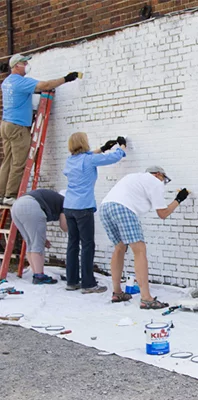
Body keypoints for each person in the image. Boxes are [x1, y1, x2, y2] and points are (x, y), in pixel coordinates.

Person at [99, 166, 189, 306]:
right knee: (140, 251)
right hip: (124, 209)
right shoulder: (155, 182)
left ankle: (117, 292)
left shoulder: (133, 177)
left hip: (105, 207)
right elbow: (163, 213)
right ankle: (146, 298)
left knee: (119, 248)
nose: (163, 183)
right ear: (158, 174)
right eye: (164, 180)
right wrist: (178, 199)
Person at [0, 53, 80, 206]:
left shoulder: (7, 82)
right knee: (19, 162)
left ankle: (1, 193)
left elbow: (22, 94)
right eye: (24, 63)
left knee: (7, 161)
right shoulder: (19, 81)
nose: (26, 66)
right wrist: (66, 78)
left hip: (6, 125)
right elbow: (46, 86)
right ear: (16, 65)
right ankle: (10, 195)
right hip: (18, 127)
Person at [63, 133, 126, 294]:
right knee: (87, 245)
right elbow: (113, 158)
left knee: (72, 244)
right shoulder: (89, 160)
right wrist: (122, 147)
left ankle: (71, 281)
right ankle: (88, 284)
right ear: (84, 142)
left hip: (69, 207)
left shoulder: (70, 160)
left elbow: (87, 156)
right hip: (83, 207)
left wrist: (103, 148)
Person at [11, 189, 67, 284]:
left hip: (16, 205)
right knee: (37, 244)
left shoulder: (55, 198)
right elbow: (64, 227)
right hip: (32, 206)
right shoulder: (66, 203)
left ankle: (36, 274)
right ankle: (39, 276)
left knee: (30, 242)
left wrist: (43, 239)